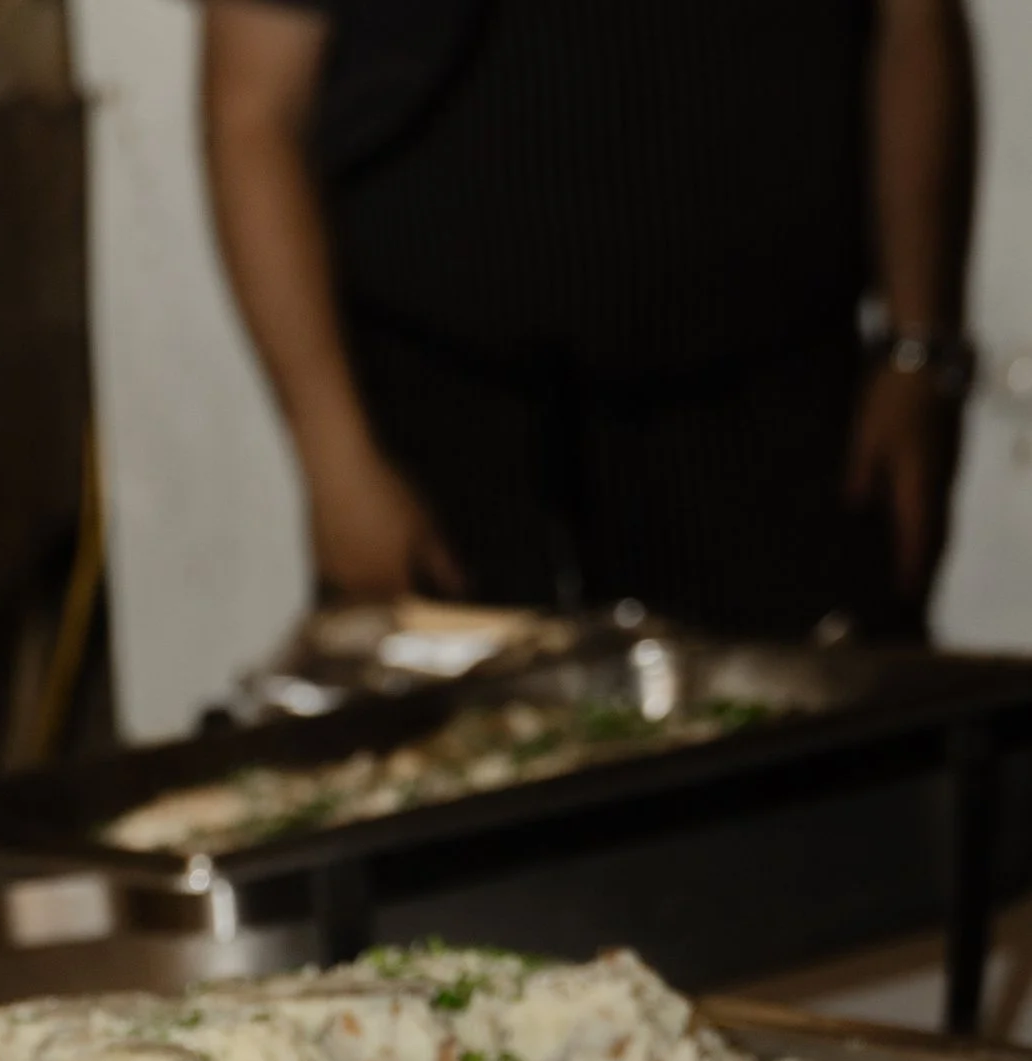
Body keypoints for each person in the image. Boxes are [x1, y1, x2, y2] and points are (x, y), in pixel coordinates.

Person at [200, 0, 979, 634]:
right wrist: (337, 458)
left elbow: (914, 27)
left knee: (821, 807)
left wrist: (919, 349)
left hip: (781, 417)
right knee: (479, 805)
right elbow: (253, 115)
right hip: (460, 442)